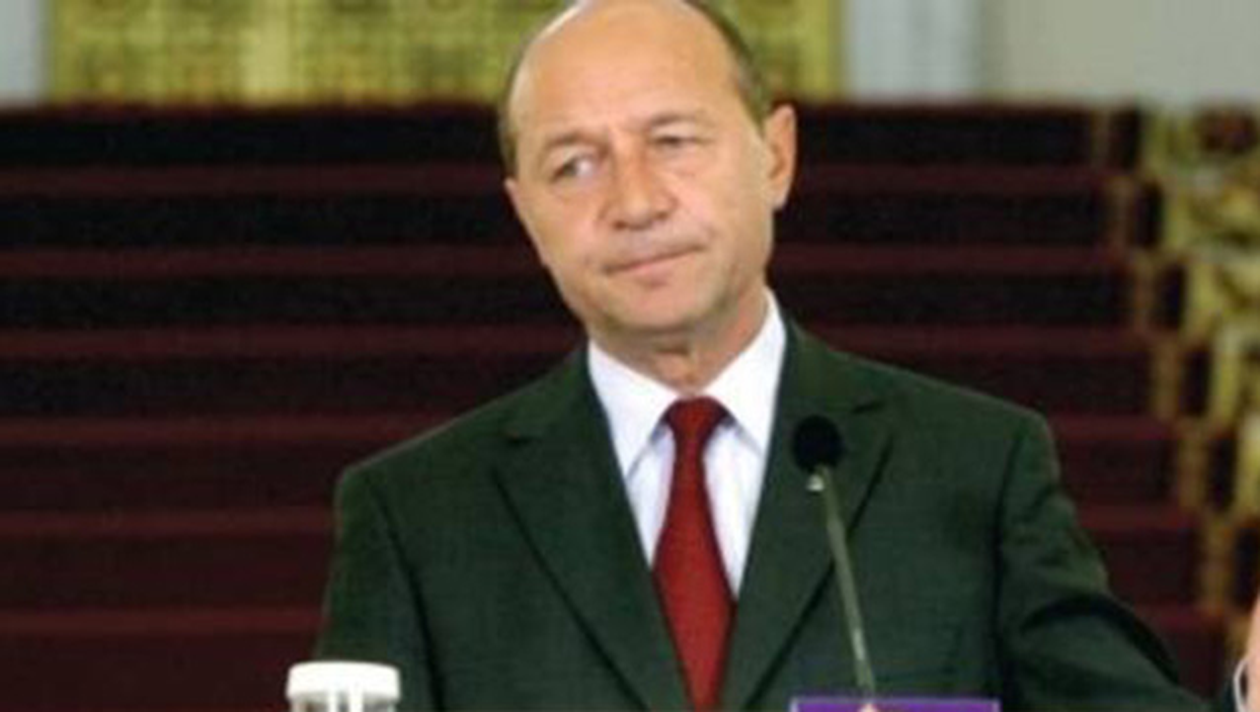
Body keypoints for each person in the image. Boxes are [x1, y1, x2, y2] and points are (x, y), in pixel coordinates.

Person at [314, 1, 1259, 710]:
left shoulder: (972, 467)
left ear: (775, 157)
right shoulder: (417, 514)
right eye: (575, 164)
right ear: (526, 214)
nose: (635, 201)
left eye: (673, 141)